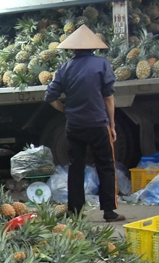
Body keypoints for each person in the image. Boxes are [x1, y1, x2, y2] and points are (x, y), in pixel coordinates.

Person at [44, 25, 125, 222]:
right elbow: (108, 98)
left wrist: (65, 109)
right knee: (105, 166)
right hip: (98, 125)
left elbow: (50, 97)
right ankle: (108, 211)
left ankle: (75, 212)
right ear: (93, 47)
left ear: (72, 49)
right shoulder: (102, 64)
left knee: (76, 167)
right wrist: (112, 125)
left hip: (74, 126)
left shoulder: (64, 68)